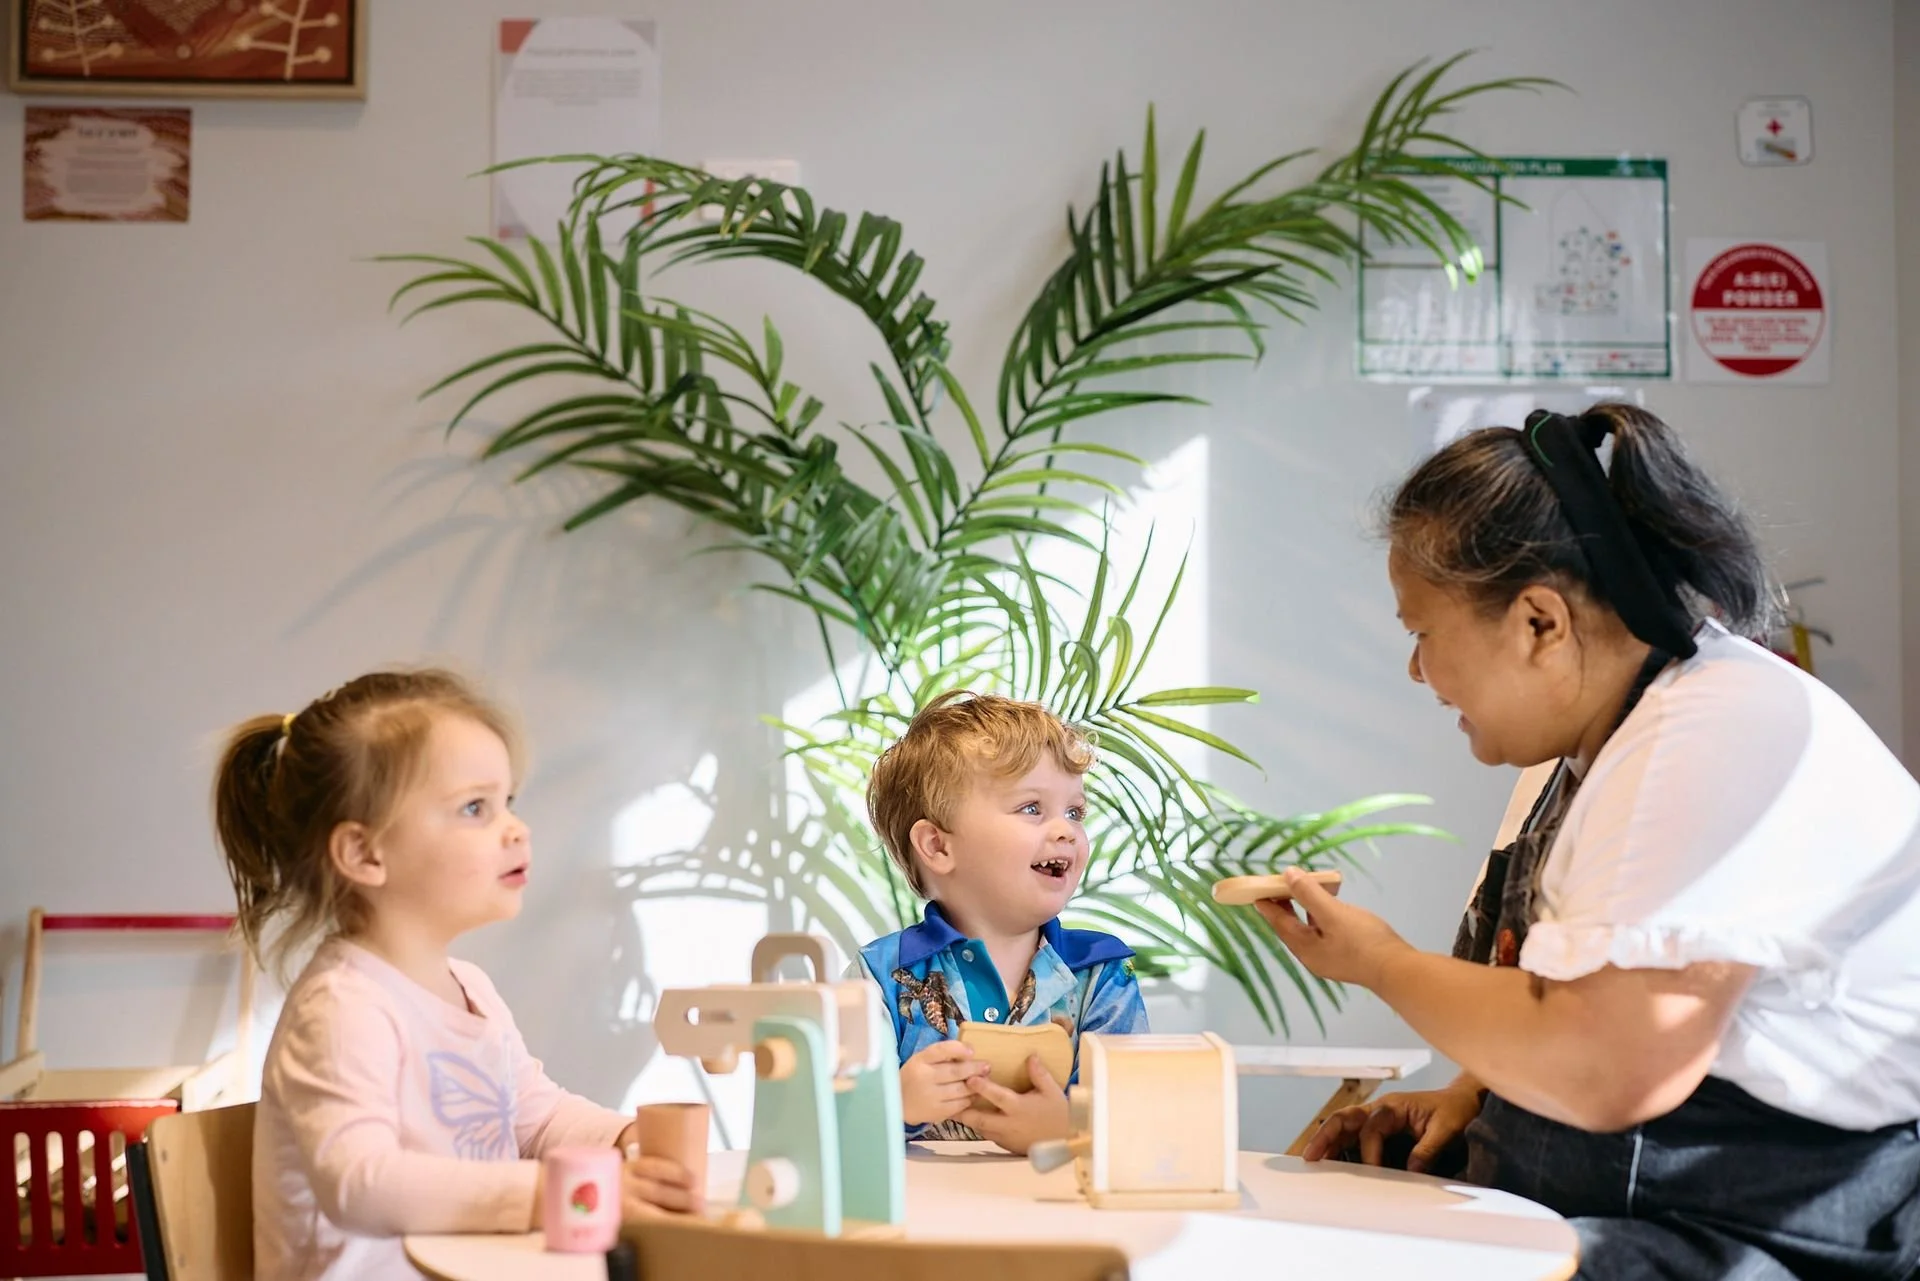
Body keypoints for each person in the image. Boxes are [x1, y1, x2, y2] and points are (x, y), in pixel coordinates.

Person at [1255, 404, 1920, 1279]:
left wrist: (1378, 960)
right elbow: (1557, 1010)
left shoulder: (1710, 737)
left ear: (1540, 622)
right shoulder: (1587, 753)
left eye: (1421, 633)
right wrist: (1472, 1098)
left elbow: (1612, 1067)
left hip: (1758, 1232)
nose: (1419, 670)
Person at [213, 670, 699, 1281]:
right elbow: (362, 1181)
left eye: (508, 803)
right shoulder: (341, 1007)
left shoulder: (470, 990)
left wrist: (627, 1138)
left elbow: (540, 1119)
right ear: (365, 854)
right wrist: (550, 1194)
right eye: (475, 807)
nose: (515, 828)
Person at [857, 691, 1147, 1154]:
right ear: (937, 846)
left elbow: (1145, 1121)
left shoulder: (1102, 973)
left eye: (1074, 812)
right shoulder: (878, 976)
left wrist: (1070, 1128)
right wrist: (895, 1103)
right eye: (1032, 808)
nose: (1065, 830)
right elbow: (825, 1128)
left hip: (1061, 1218)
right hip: (924, 1220)